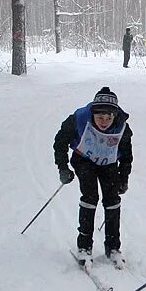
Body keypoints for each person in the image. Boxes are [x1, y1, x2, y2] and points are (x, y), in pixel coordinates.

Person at [54, 87, 133, 268]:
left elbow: (127, 153)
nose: (104, 122)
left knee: (112, 200)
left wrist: (124, 177)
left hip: (109, 162)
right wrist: (63, 168)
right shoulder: (78, 120)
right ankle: (84, 246)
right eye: (100, 118)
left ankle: (113, 247)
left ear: (115, 115)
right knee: (90, 197)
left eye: (108, 118)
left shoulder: (122, 127)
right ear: (93, 113)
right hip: (84, 160)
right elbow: (60, 141)